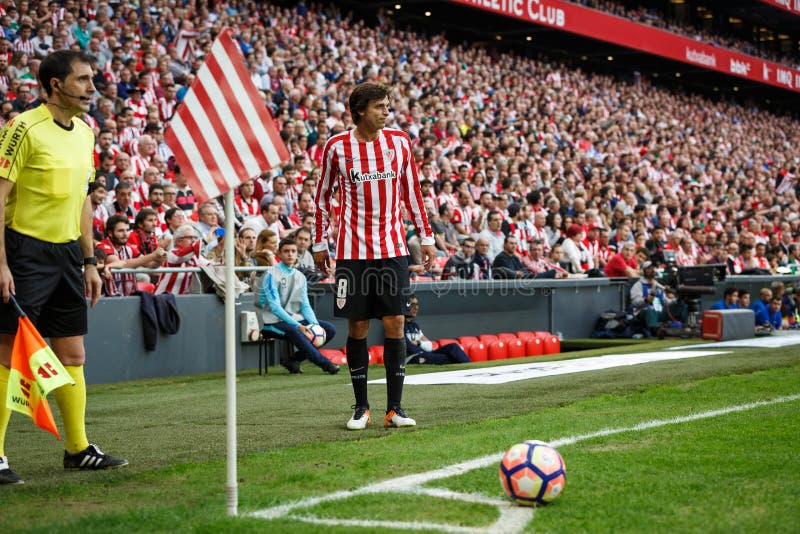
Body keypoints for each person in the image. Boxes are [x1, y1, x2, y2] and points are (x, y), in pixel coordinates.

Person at [0, 50, 128, 485]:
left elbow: (84, 202)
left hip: (67, 256)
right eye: (84, 79)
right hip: (22, 253)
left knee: (73, 353)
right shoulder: (22, 127)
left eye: (92, 79)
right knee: (6, 356)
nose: (93, 87)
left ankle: (78, 449)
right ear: (55, 84)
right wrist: (1, 264)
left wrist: (89, 262)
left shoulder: (86, 132)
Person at [313, 82, 435, 431]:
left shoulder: (399, 142)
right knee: (358, 325)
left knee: (396, 321)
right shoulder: (337, 147)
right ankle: (361, 407)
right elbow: (322, 198)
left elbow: (412, 191)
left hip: (393, 249)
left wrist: (425, 237)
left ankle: (394, 409)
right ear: (360, 109)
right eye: (380, 106)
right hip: (352, 253)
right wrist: (320, 243)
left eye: (388, 105)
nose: (387, 111)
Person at [257, 238, 339, 375]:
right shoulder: (271, 275)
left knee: (329, 329)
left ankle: (292, 360)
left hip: (293, 319)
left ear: (296, 254)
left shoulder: (300, 276)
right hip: (270, 321)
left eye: (293, 251)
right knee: (294, 330)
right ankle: (325, 364)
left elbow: (305, 305)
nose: (290, 254)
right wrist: (299, 325)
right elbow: (275, 308)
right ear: (279, 254)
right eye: (286, 251)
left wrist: (314, 324)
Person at [404, 294, 471, 365]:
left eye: (417, 304)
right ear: (406, 306)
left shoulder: (415, 326)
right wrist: (421, 345)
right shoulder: (400, 326)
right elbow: (409, 348)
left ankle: (471, 366)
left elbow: (429, 346)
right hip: (412, 357)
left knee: (453, 347)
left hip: (425, 353)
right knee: (447, 358)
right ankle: (471, 369)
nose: (416, 308)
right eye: (413, 304)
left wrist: (418, 342)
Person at [630, 261, 687, 336]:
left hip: (659, 312)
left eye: (653, 268)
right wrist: (646, 300)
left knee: (682, 304)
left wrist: (676, 300)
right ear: (643, 271)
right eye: (649, 268)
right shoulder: (638, 285)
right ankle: (655, 331)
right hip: (644, 312)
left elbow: (666, 301)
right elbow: (635, 302)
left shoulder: (658, 285)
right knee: (650, 309)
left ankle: (686, 328)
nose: (652, 270)